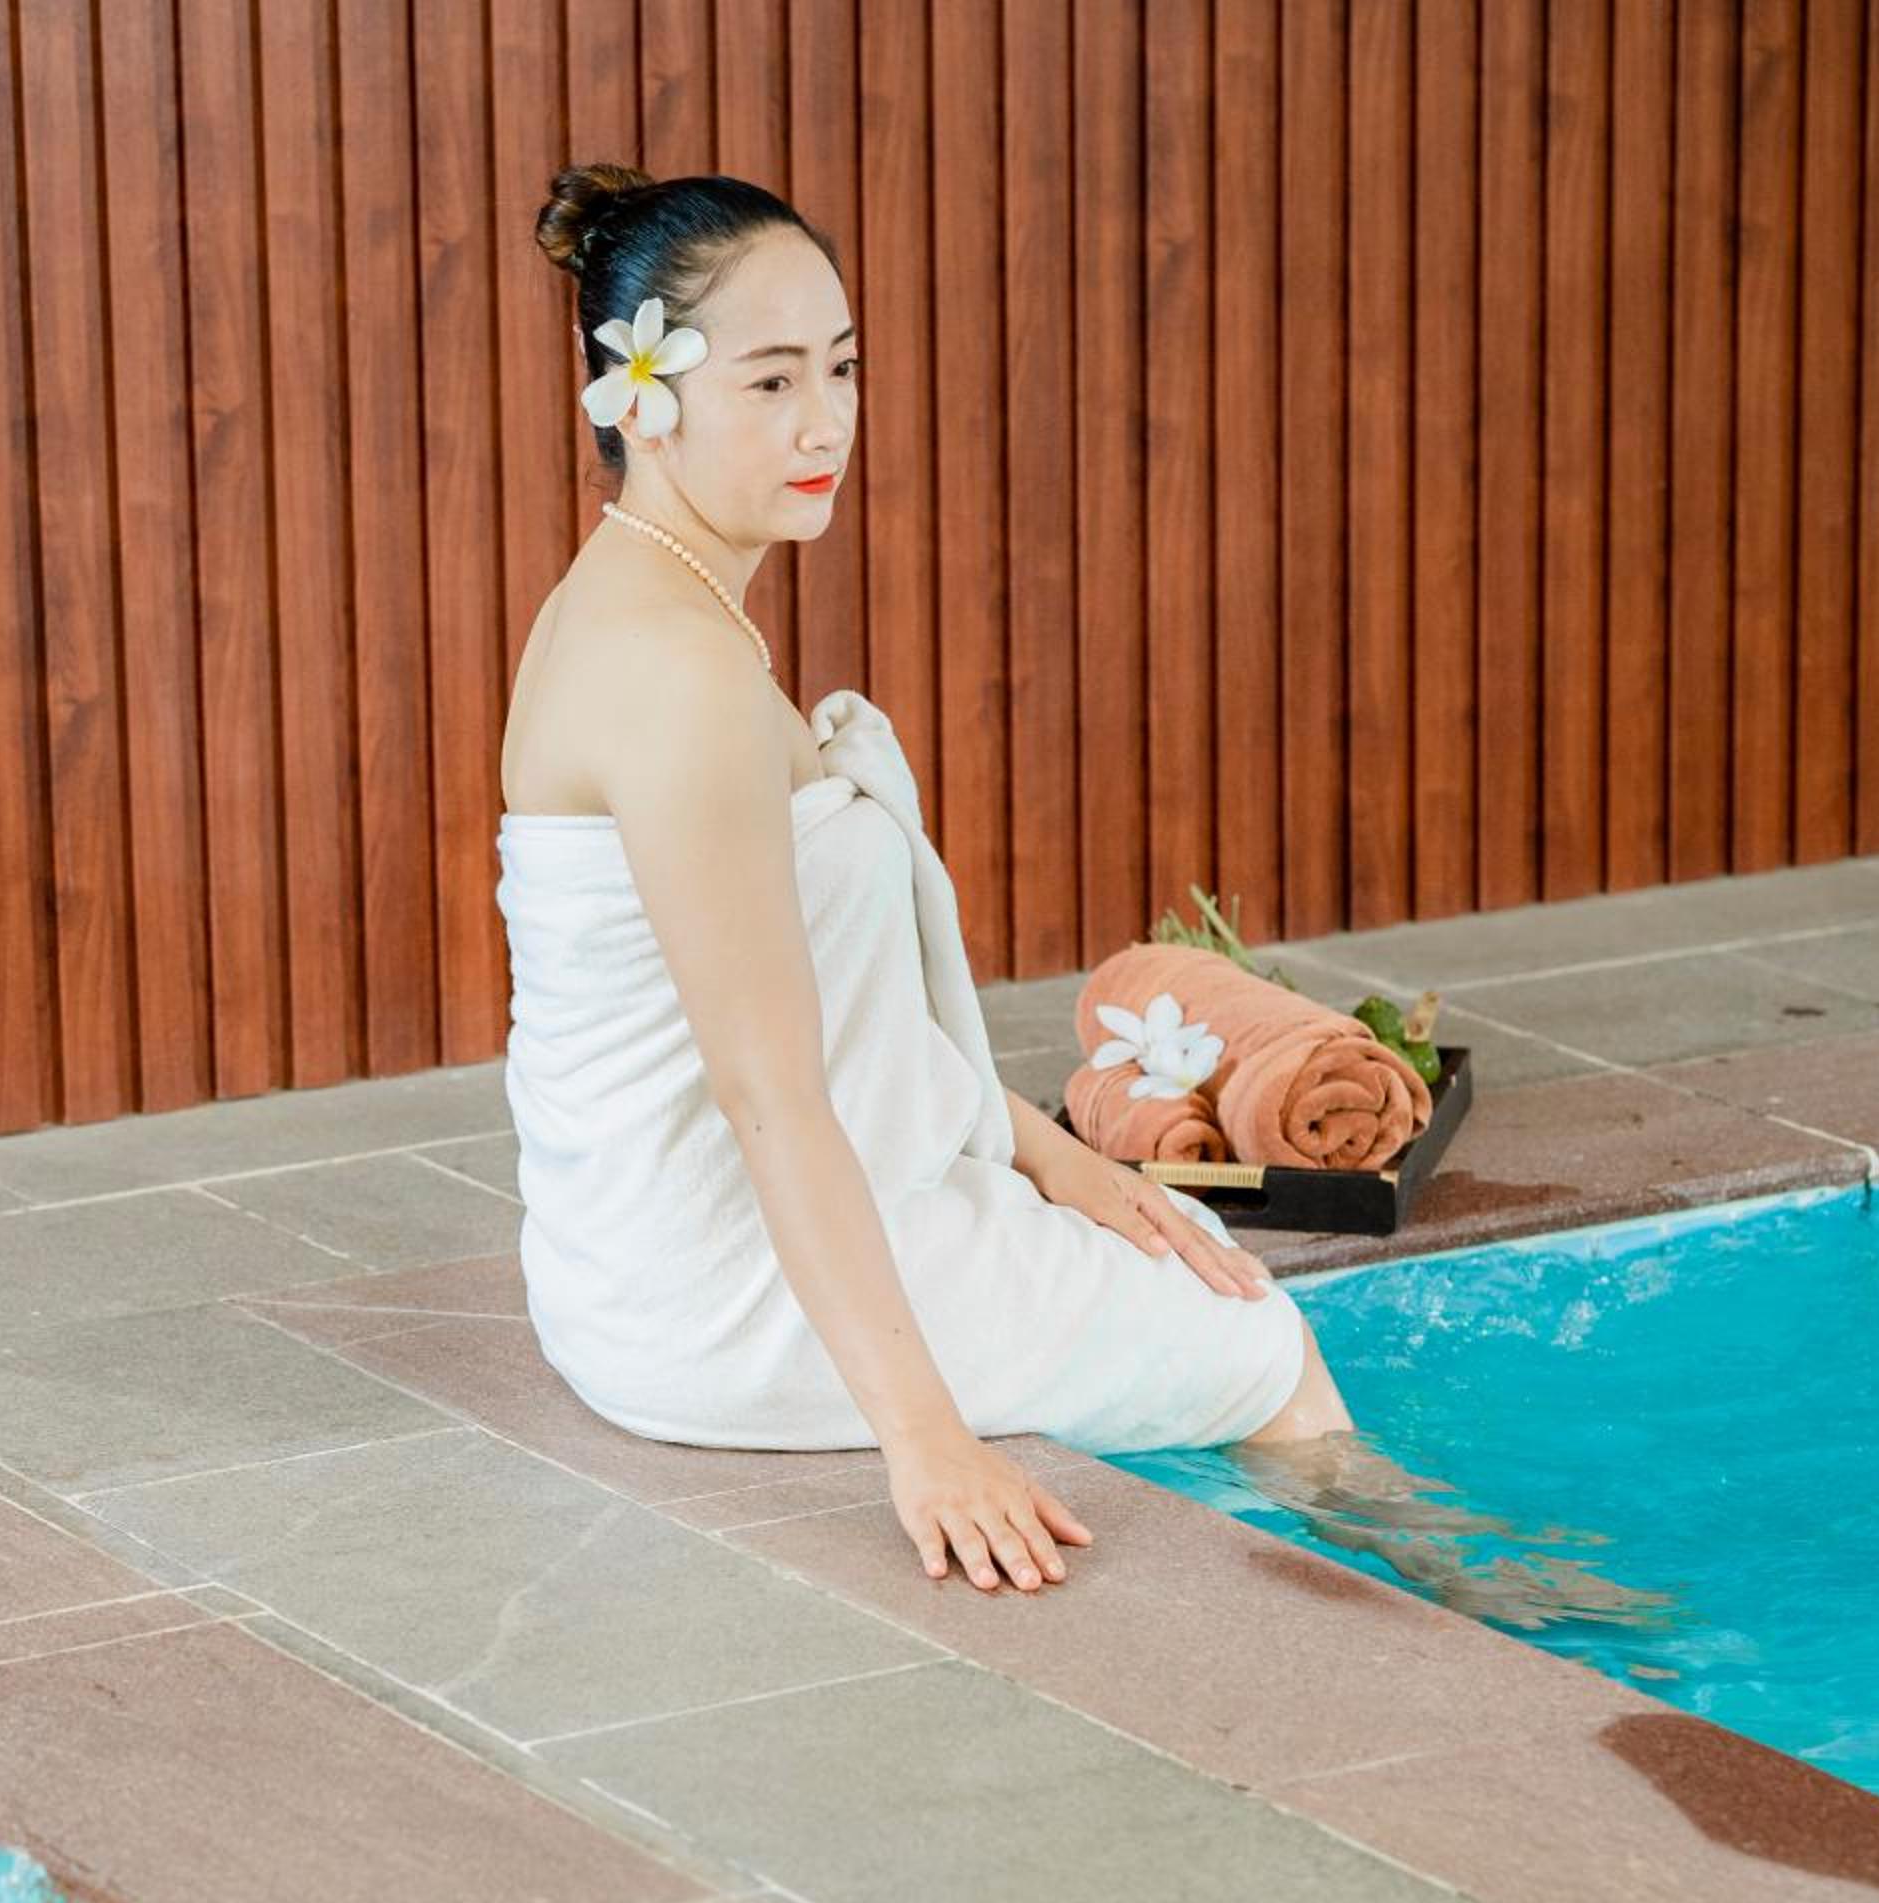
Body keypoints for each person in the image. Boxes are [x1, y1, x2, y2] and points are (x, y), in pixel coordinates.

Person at [496, 164, 1378, 1601]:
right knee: (1258, 1348)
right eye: (771, 380)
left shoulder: (656, 606)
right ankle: (1421, 1619)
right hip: (709, 1292)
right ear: (642, 399)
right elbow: (772, 1096)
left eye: (840, 368)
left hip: (648, 1257)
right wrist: (928, 1443)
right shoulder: (676, 676)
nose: (825, 422)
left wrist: (1058, 1159)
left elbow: (829, 1027)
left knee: (1188, 1252)